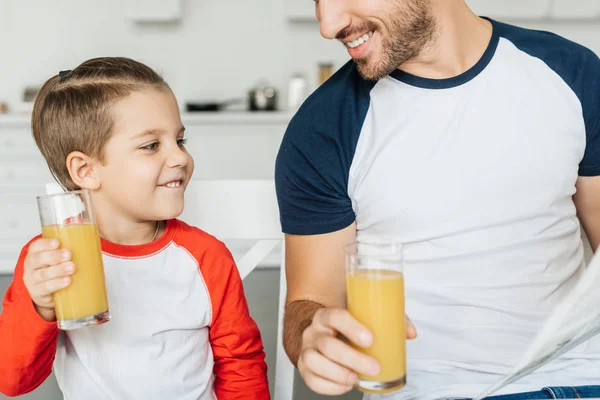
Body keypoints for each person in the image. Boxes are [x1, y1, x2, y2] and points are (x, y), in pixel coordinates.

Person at [274, 0, 600, 399]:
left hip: (582, 380)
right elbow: (310, 301)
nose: (328, 24)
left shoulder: (572, 71)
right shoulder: (323, 127)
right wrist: (312, 335)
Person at [0, 57, 269, 400]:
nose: (181, 158)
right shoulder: (53, 258)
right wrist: (40, 307)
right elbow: (12, 380)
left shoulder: (206, 257)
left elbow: (241, 364)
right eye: (151, 145)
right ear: (85, 171)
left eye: (180, 141)